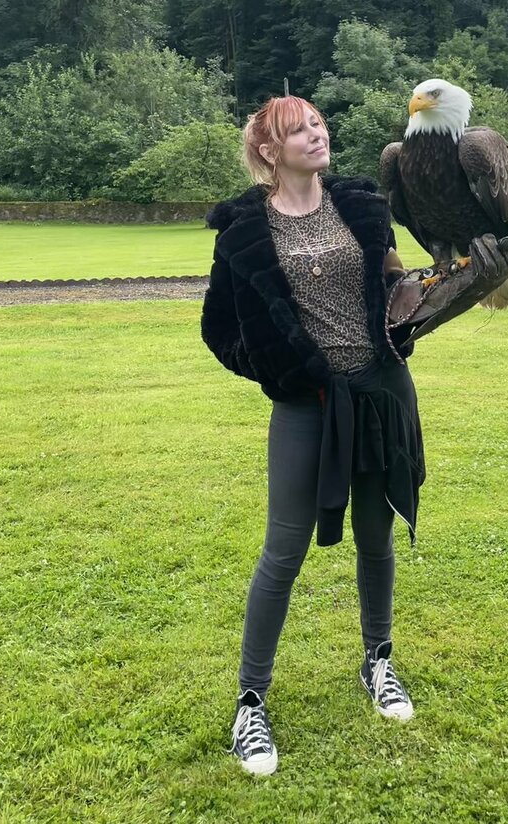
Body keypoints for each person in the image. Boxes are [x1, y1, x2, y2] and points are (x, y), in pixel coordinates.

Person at [200, 94, 425, 777]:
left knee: (376, 536)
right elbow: (219, 329)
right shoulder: (243, 231)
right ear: (269, 150)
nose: (316, 135)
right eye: (298, 130)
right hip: (307, 406)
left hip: (381, 394)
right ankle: (250, 702)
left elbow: (394, 286)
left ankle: (378, 660)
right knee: (283, 550)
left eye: (319, 123)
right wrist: (282, 372)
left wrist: (420, 305)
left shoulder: (363, 206)